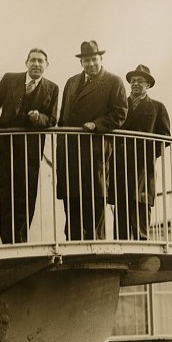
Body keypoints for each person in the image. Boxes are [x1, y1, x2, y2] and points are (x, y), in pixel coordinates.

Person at [0, 48, 59, 244]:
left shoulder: (52, 88)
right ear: (26, 62)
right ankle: (7, 242)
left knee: (27, 196)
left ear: (46, 65)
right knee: (5, 194)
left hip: (31, 151)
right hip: (7, 148)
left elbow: (52, 119)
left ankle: (22, 240)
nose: (36, 64)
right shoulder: (10, 79)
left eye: (41, 61)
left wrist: (38, 118)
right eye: (33, 60)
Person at [56, 40, 128, 241]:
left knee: (94, 203)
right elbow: (63, 117)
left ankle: (94, 247)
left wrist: (97, 125)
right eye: (86, 60)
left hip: (94, 152)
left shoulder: (114, 81)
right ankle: (73, 248)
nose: (90, 64)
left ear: (101, 59)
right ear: (81, 62)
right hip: (70, 154)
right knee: (72, 203)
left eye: (94, 60)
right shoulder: (71, 82)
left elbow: (120, 113)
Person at [110, 64, 171, 240]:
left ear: (148, 85)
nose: (136, 84)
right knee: (121, 207)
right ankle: (120, 245)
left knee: (141, 204)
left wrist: (149, 154)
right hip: (120, 165)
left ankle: (142, 243)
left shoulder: (157, 107)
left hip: (143, 166)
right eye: (133, 81)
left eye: (140, 81)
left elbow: (165, 137)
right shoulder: (121, 105)